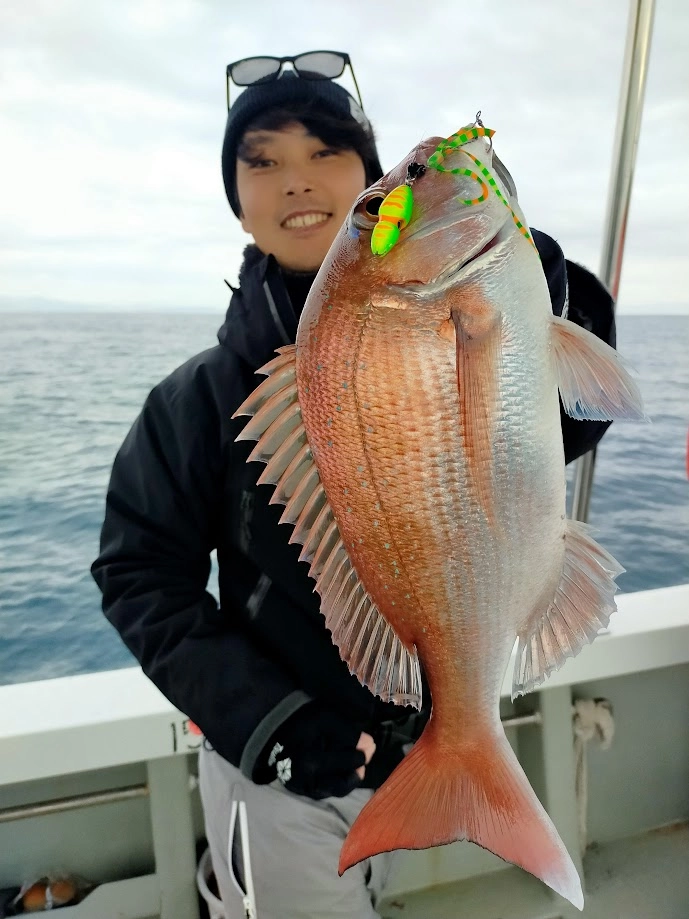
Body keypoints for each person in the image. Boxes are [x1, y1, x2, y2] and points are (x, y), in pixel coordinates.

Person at [91, 52, 617, 919]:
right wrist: (275, 724)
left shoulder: (470, 301)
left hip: (423, 747)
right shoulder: (197, 402)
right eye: (262, 161)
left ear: (370, 176)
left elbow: (574, 421)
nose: (295, 180)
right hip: (283, 778)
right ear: (236, 201)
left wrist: (545, 299)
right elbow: (137, 575)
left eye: (325, 151)